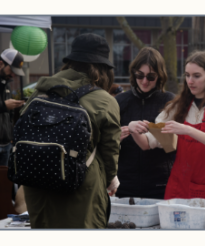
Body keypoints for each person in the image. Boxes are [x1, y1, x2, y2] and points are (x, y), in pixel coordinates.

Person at [24, 33, 121, 228]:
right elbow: (110, 148)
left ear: (70, 63)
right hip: (80, 183)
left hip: (35, 178)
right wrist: (111, 177)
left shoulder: (40, 92)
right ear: (102, 68)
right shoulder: (105, 100)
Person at [128, 51, 205, 203]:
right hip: (178, 186)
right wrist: (133, 129)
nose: (190, 81)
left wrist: (187, 130)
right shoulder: (179, 105)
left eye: (196, 76)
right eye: (187, 75)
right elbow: (147, 143)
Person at [114, 47, 177, 199]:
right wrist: (118, 135)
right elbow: (105, 141)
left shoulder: (169, 101)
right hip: (124, 183)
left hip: (160, 183)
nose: (144, 81)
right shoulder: (120, 101)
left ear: (160, 76)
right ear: (133, 72)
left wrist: (154, 132)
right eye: (139, 75)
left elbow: (173, 145)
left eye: (151, 77)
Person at [0, 48, 25, 166]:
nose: (13, 74)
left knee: (4, 183)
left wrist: (11, 135)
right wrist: (4, 106)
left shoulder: (6, 83)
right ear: (1, 63)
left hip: (6, 143)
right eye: (11, 70)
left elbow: (9, 115)